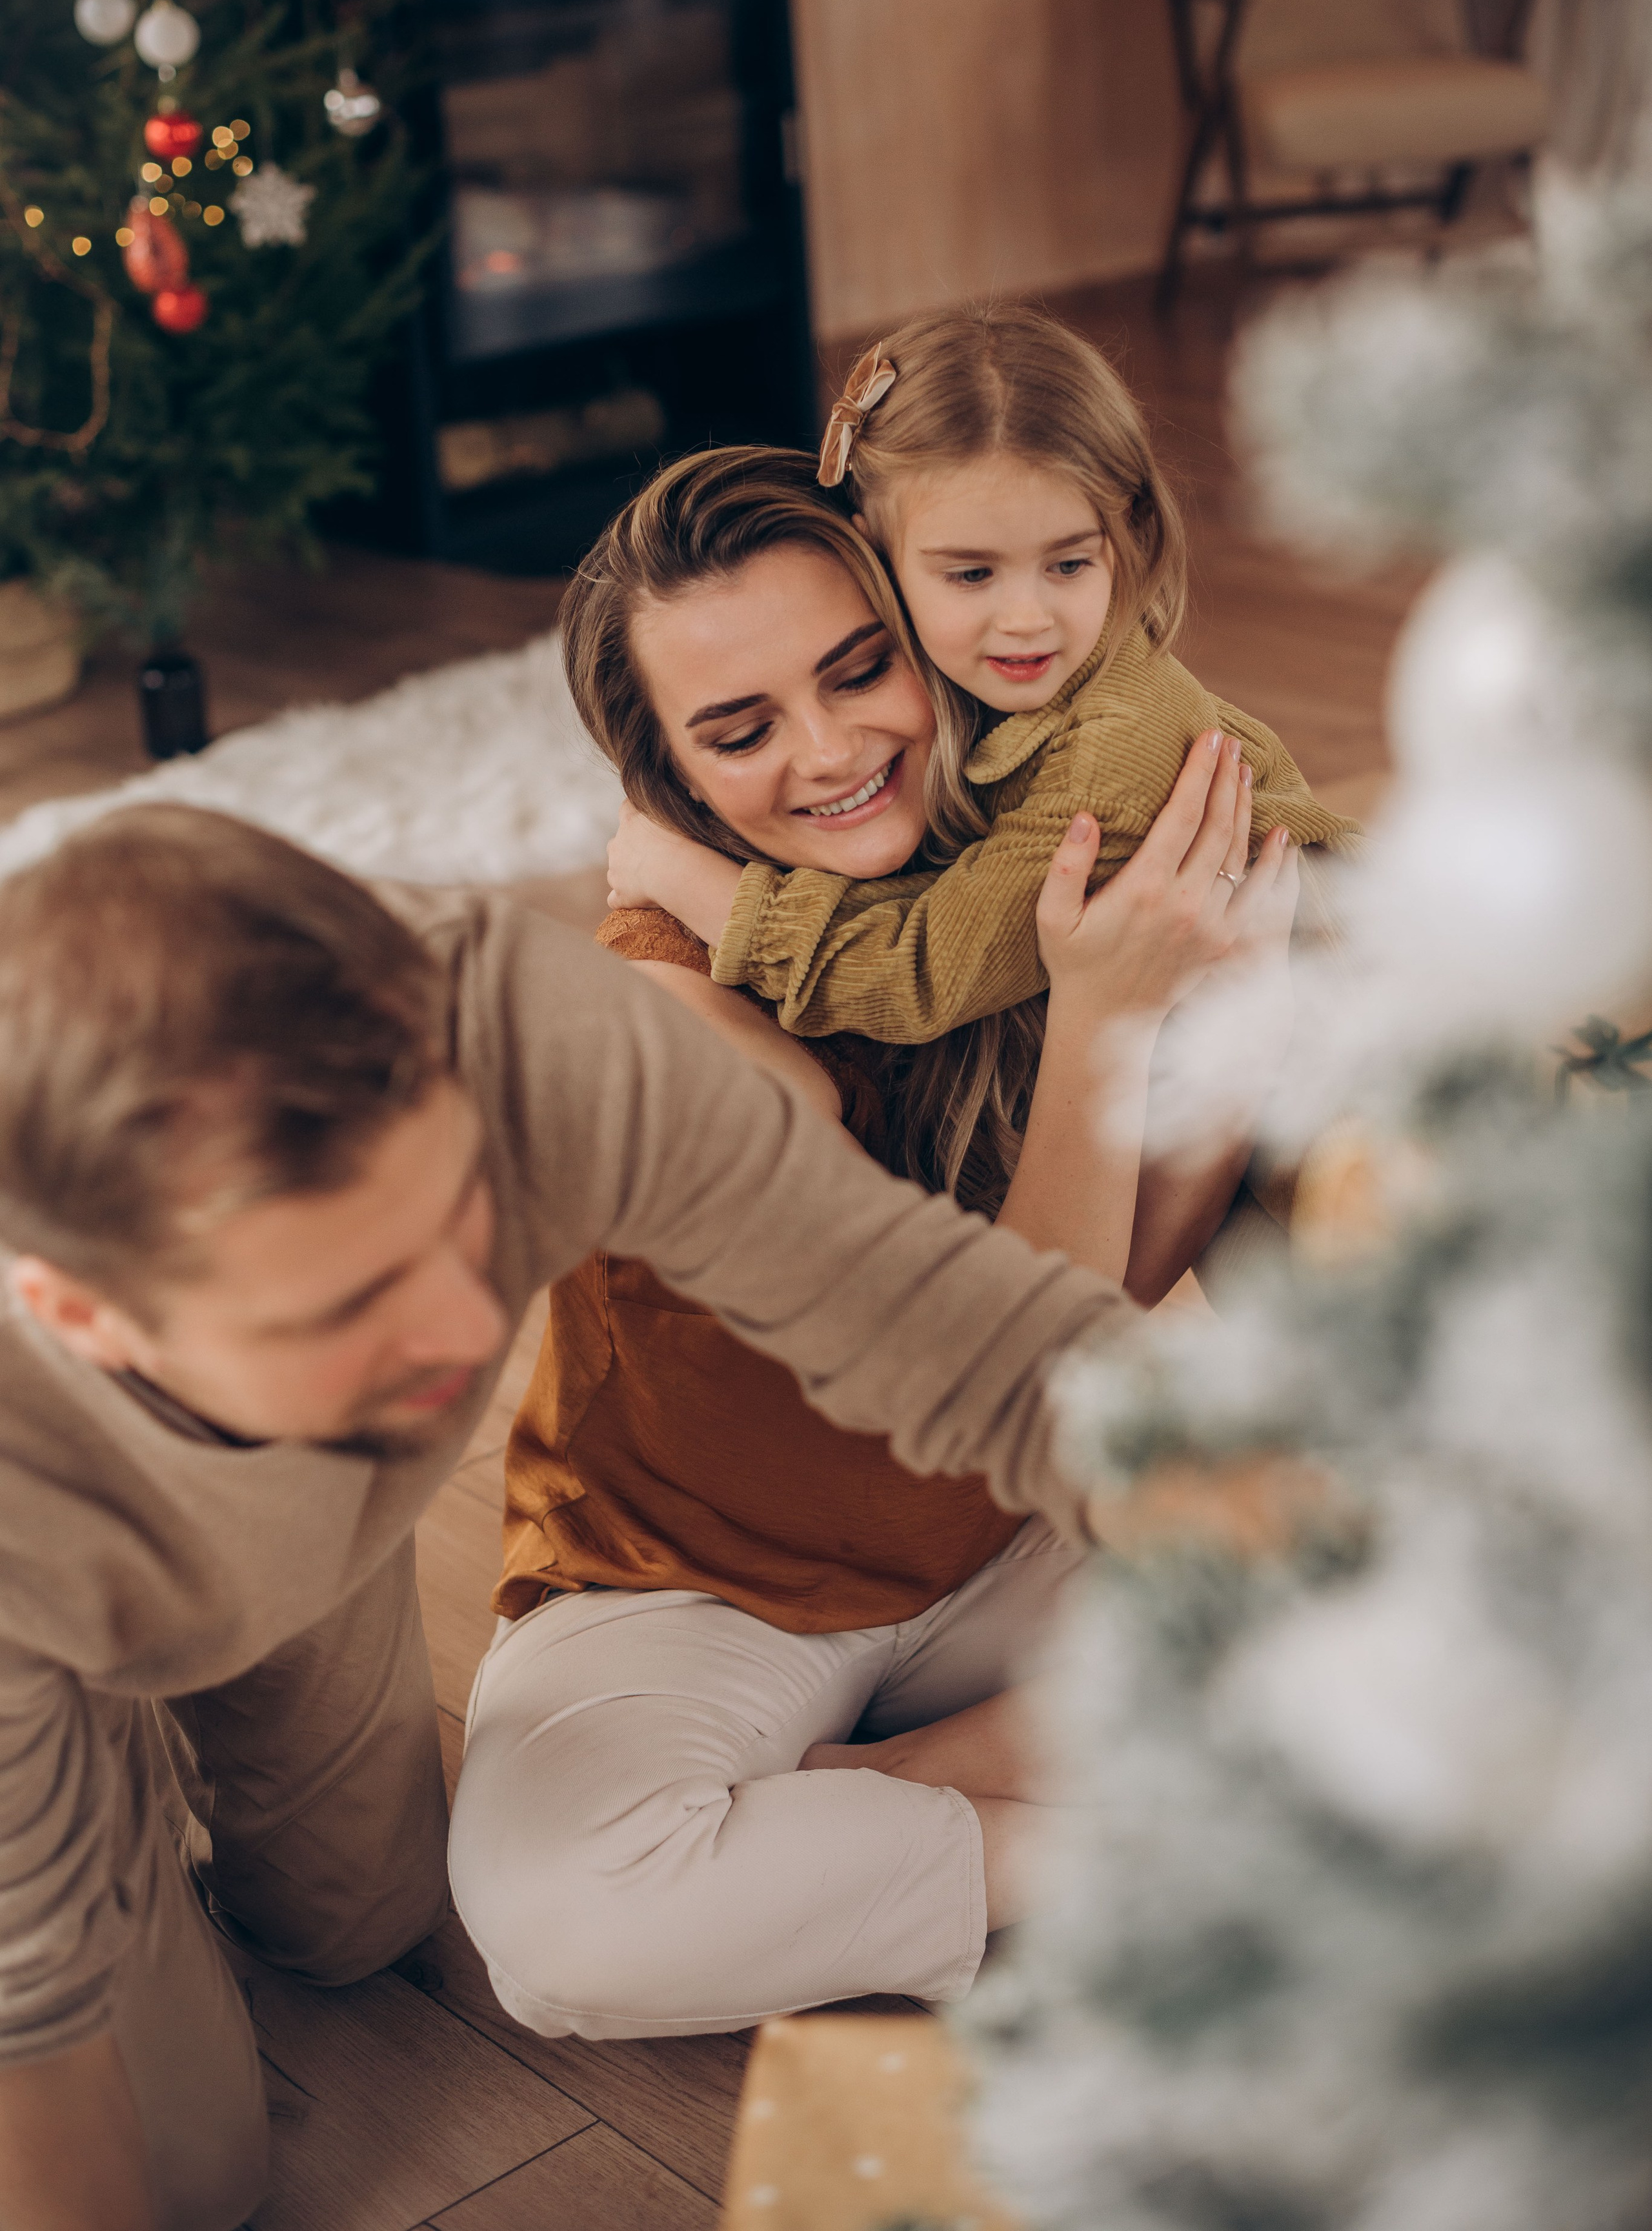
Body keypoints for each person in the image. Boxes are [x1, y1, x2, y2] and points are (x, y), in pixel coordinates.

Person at [0, 803, 1216, 2231]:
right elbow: (35, 2037)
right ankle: (95, 1751)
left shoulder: (507, 1030)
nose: (467, 1326)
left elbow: (945, 1326)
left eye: (461, 1216)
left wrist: (1351, 1574)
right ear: (82, 1314)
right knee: (194, 2182)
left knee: (357, 1930)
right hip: (57, 1597)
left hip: (310, 1525)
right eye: (347, 1304)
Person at [448, 449, 1298, 2042]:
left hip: (1003, 1545)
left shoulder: (1030, 869)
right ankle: (1120, 1835)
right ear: (667, 779)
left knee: (1441, 1601)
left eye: (859, 667)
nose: (835, 750)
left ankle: (891, 1787)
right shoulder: (662, 1010)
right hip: (694, 1588)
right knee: (565, 1925)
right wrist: (1113, 1007)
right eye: (739, 727)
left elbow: (1127, 1286)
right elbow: (1000, 1353)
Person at [604, 301, 1355, 1042]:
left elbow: (920, 979)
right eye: (971, 576)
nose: (1026, 617)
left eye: (1067, 563)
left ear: (1126, 537)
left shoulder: (1109, 755)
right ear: (877, 555)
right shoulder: (997, 689)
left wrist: (687, 881)